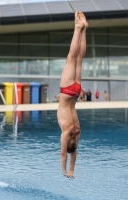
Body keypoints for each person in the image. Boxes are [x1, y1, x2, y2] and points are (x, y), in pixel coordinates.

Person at [57, 11, 88, 178]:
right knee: (71, 58)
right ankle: (77, 28)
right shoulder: (67, 132)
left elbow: (73, 153)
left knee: (79, 58)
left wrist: (72, 171)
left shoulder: (77, 133)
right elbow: (64, 154)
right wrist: (64, 171)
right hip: (67, 90)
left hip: (75, 92)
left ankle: (83, 30)